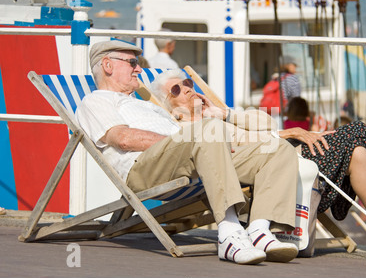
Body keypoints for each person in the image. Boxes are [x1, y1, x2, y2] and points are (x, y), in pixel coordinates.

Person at [150, 69, 366, 262]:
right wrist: (288, 134)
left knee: (358, 143)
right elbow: (243, 149)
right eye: (177, 89)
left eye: (189, 83)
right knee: (355, 134)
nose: (188, 89)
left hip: (280, 151)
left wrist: (224, 113)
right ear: (167, 104)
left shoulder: (218, 117)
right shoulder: (184, 131)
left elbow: (266, 124)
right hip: (271, 160)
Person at [75, 40, 300, 265]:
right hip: (144, 169)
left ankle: (259, 230)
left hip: (186, 159)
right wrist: (191, 141)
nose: (139, 68)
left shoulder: (144, 105)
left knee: (276, 150)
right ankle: (230, 234)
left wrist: (207, 142)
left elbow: (190, 136)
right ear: (107, 65)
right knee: (205, 130)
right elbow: (123, 139)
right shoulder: (96, 101)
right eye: (132, 62)